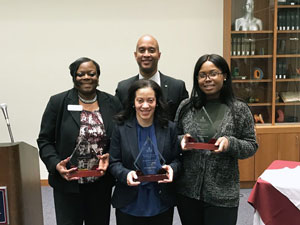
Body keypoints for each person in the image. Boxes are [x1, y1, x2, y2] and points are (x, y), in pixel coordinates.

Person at [175, 54, 258, 225]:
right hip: (188, 192)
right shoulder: (186, 107)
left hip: (223, 194)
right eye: (202, 75)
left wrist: (230, 143)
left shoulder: (239, 109)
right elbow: (171, 139)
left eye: (213, 73)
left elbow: (251, 145)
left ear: (225, 76)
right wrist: (181, 141)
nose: (208, 79)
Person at [37, 57, 122, 225]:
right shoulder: (58, 102)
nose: (86, 77)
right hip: (68, 183)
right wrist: (56, 164)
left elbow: (120, 139)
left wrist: (110, 158)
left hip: (99, 183)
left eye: (91, 73)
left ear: (98, 76)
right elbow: (45, 140)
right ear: (73, 77)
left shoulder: (112, 102)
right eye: (80, 74)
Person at [109, 79, 181, 225]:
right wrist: (126, 174)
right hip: (129, 202)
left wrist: (172, 169)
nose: (145, 105)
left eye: (150, 100)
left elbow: (178, 160)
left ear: (157, 102)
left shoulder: (170, 128)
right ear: (133, 102)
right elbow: (114, 162)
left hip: (161, 202)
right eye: (140, 100)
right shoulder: (121, 128)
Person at [115, 34, 189, 121]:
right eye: (142, 50)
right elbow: (119, 122)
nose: (146, 55)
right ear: (135, 55)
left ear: (159, 55)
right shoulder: (123, 88)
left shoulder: (177, 87)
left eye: (151, 50)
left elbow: (184, 123)